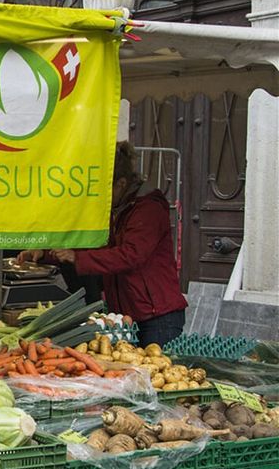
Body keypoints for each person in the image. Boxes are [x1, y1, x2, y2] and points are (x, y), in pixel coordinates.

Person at [19, 142, 187, 347]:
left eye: (104, 190)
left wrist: (76, 257)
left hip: (157, 316)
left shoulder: (148, 209)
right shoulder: (118, 209)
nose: (100, 197)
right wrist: (46, 254)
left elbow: (131, 255)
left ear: (121, 184)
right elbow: (97, 246)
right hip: (128, 313)